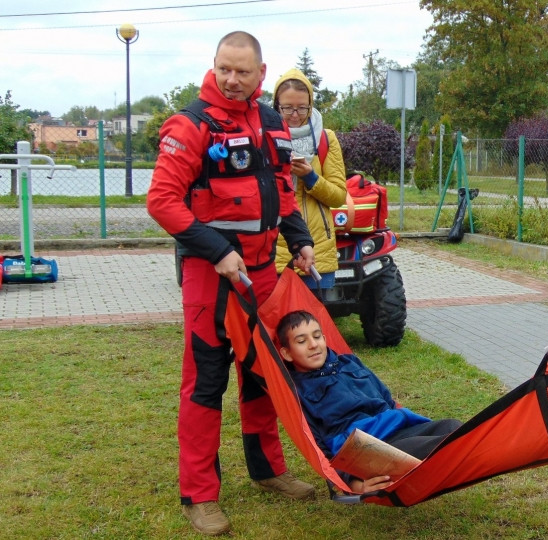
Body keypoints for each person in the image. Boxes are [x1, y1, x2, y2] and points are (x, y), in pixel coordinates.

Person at [147, 31, 319, 536]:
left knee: (264, 373)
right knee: (205, 384)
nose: (231, 79)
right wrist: (218, 251)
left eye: (243, 71)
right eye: (225, 68)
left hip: (264, 274)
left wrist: (301, 238)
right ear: (215, 64)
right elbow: (162, 201)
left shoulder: (271, 121)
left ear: (261, 74)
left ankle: (267, 470)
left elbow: (283, 191)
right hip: (211, 279)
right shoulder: (191, 124)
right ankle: (199, 495)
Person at [276, 310, 462, 493]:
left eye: (317, 337)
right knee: (444, 445)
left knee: (454, 427)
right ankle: (453, 459)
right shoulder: (298, 392)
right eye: (301, 341)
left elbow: (386, 398)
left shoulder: (349, 363)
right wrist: (353, 483)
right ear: (287, 353)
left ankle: (456, 456)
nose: (313, 345)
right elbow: (320, 449)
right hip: (367, 451)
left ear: (324, 339)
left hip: (397, 430)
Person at [272, 68, 347, 293]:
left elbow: (338, 196)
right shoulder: (264, 136)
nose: (295, 115)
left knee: (311, 323)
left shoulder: (326, 139)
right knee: (273, 324)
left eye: (302, 108)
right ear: (276, 105)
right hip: (274, 250)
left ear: (311, 104)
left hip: (317, 250)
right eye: (287, 108)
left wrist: (310, 177)